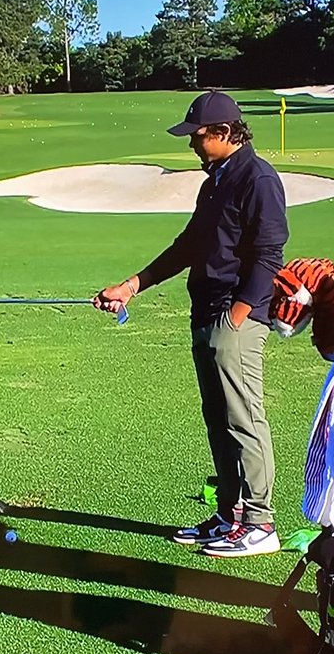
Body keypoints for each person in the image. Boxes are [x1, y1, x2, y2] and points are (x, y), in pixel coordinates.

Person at [94, 91, 289, 557]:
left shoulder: (257, 179)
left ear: (224, 134)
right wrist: (132, 284)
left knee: (243, 418)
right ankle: (229, 513)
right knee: (217, 419)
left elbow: (269, 256)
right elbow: (188, 246)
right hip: (205, 309)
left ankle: (260, 522)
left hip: (235, 316)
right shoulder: (215, 181)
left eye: (198, 137)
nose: (192, 146)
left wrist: (238, 316)